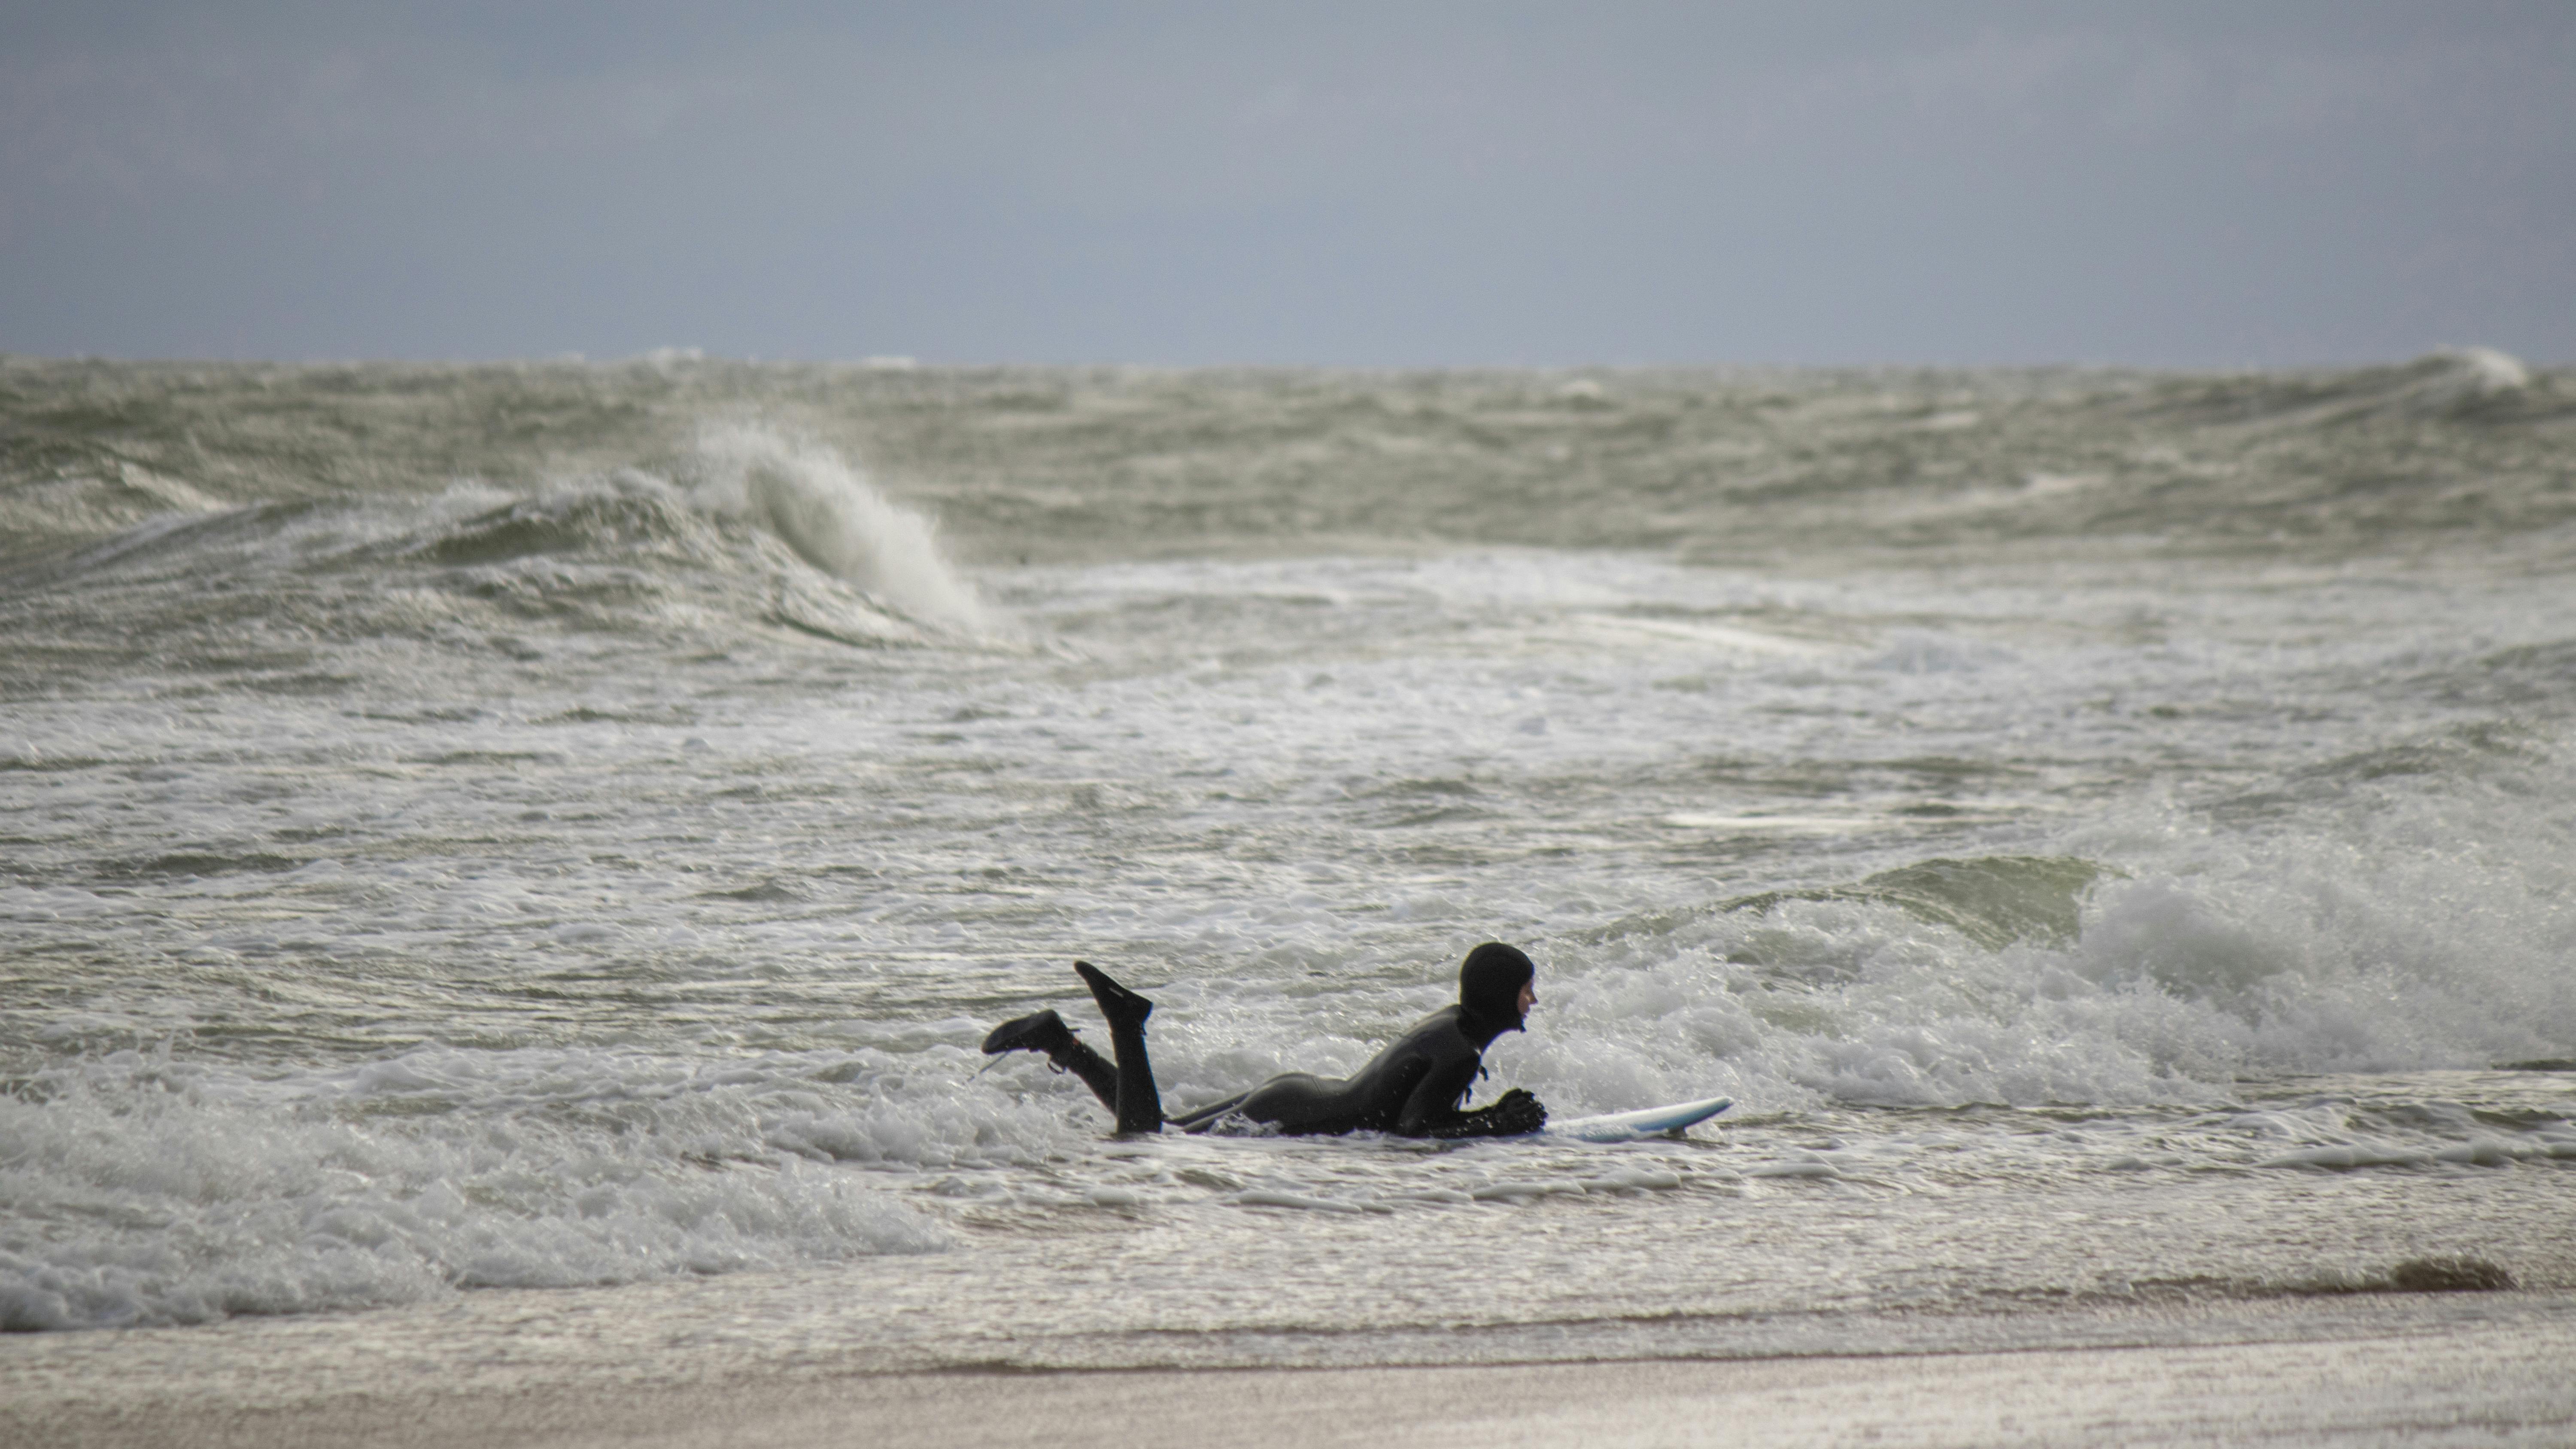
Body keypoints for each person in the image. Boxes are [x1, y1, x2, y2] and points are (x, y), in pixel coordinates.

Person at [979, 943, 1548, 1138]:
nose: (1532, 1002)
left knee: (1163, 1130)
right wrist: (1500, 1120)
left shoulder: (1451, 1024)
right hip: (1296, 1115)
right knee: (1145, 1137)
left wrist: (1492, 1119)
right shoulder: (1460, 1051)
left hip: (1295, 1094)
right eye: (1527, 990)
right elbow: (1415, 1132)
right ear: (1501, 995)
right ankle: (1126, 1026)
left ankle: (1062, 1045)